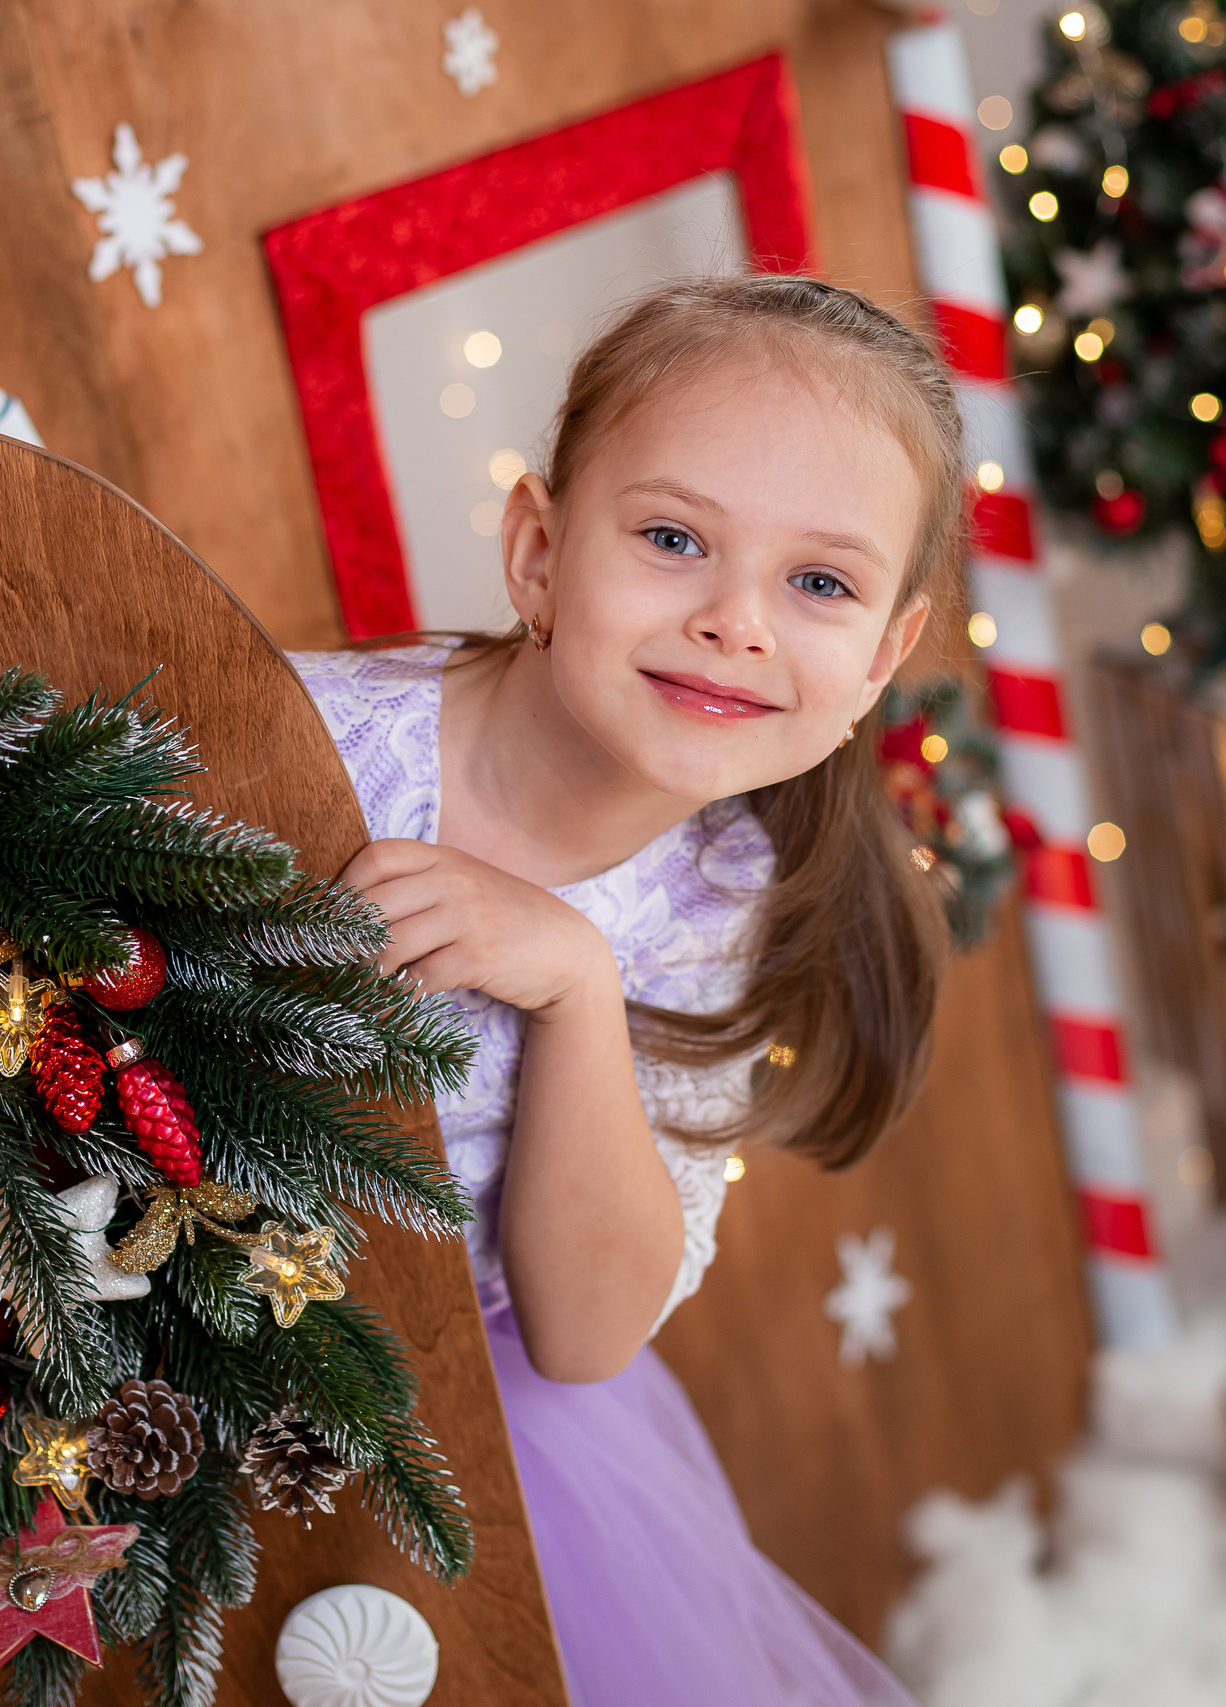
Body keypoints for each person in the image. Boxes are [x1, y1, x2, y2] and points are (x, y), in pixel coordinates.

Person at [292, 273, 957, 1704]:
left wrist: (577, 989)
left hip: (467, 1423)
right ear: (538, 551)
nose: (737, 622)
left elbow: (587, 1334)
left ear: (886, 655)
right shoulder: (316, 744)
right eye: (671, 539)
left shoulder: (720, 900)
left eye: (821, 584)